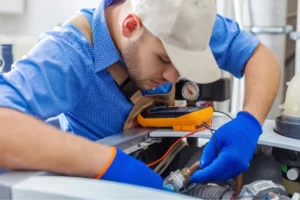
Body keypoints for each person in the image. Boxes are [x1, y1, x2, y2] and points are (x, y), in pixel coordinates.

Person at [0, 0, 280, 190]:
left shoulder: (182, 20)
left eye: (181, 64)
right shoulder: (67, 55)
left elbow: (259, 56)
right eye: (163, 59)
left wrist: (249, 122)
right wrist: (106, 163)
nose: (173, 77)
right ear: (130, 26)